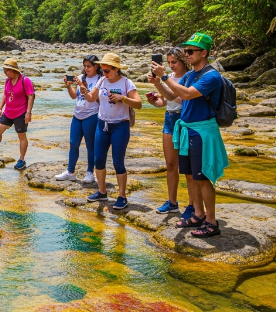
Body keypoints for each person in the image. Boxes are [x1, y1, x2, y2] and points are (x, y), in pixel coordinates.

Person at [152, 33, 227, 238]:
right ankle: (198, 214)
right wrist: (159, 82)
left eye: (191, 51)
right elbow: (172, 97)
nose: (187, 54)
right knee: (189, 174)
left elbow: (186, 94)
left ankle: (211, 222)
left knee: (203, 177)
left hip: (202, 131)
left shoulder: (211, 76)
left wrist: (166, 76)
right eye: (186, 50)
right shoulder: (191, 74)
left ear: (204, 53)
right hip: (188, 130)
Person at [85, 53, 142, 210]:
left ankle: (122, 196)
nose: (104, 73)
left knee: (118, 162)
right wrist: (83, 90)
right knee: (99, 160)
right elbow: (91, 98)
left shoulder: (127, 83)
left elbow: (138, 103)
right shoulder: (102, 80)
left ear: (116, 69)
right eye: (102, 70)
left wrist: (122, 98)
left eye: (107, 70)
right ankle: (102, 192)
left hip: (120, 126)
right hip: (102, 124)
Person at [148, 48, 195, 216]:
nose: (171, 66)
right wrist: (155, 98)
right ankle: (172, 202)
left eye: (174, 62)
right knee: (170, 165)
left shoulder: (190, 78)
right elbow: (165, 102)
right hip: (170, 120)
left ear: (183, 61)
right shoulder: (170, 78)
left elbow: (182, 99)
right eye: (168, 63)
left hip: (185, 120)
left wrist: (162, 82)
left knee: (188, 168)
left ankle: (192, 205)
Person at [0, 59, 35, 170]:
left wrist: (28, 112)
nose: (5, 73)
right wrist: (0, 108)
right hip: (8, 112)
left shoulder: (25, 80)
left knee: (21, 136)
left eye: (6, 71)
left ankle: (22, 160)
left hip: (20, 112)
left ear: (13, 70)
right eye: (4, 71)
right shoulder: (7, 81)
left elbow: (31, 96)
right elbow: (5, 95)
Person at [55, 55, 101, 183]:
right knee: (73, 143)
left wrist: (82, 86)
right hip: (77, 114)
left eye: (89, 66)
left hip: (91, 114)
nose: (86, 68)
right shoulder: (81, 77)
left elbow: (91, 97)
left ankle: (90, 172)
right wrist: (69, 86)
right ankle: (70, 172)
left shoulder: (100, 80)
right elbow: (74, 96)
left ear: (96, 66)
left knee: (90, 145)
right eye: (84, 66)